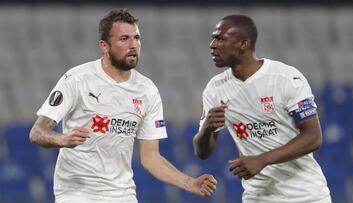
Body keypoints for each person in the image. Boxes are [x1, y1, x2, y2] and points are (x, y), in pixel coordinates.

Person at [29, 8, 217, 203]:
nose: (133, 45)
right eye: (124, 39)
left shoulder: (147, 90)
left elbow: (150, 157)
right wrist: (62, 139)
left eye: (137, 38)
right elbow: (37, 132)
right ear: (104, 46)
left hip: (123, 194)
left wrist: (189, 183)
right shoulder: (77, 79)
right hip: (77, 193)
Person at [193, 15, 332, 203]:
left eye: (220, 39)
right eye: (213, 38)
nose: (212, 44)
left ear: (243, 44)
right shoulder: (215, 88)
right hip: (258, 197)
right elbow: (203, 152)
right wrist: (207, 128)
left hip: (306, 196)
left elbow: (313, 137)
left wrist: (262, 159)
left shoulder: (285, 78)